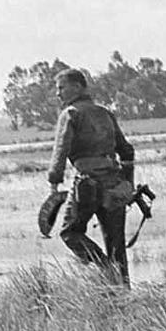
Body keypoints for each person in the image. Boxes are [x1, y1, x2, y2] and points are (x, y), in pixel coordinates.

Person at [45, 68, 136, 285]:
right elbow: (127, 151)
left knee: (70, 233)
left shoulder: (70, 114)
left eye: (61, 88)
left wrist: (54, 182)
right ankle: (123, 291)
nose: (58, 93)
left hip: (87, 184)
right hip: (115, 183)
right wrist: (128, 184)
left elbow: (61, 150)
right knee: (116, 244)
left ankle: (105, 268)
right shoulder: (105, 113)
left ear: (77, 87)